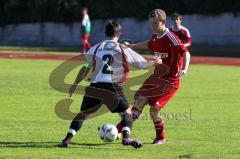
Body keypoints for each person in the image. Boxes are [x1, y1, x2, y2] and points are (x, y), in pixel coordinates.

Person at [58, 21, 162, 148]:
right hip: (113, 87)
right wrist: (155, 62)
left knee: (83, 114)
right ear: (119, 33)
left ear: (106, 33)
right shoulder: (122, 49)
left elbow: (85, 67)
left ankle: (66, 140)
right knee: (127, 113)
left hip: (95, 86)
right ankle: (126, 138)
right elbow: (141, 64)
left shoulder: (95, 48)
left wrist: (75, 83)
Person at [116, 9, 191, 145]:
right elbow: (148, 43)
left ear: (163, 22)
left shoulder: (171, 38)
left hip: (169, 81)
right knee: (139, 102)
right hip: (155, 77)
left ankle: (160, 137)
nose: (152, 26)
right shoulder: (156, 36)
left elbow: (186, 53)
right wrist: (131, 47)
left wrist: (184, 69)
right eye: (151, 23)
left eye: (155, 23)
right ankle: (118, 131)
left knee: (154, 110)